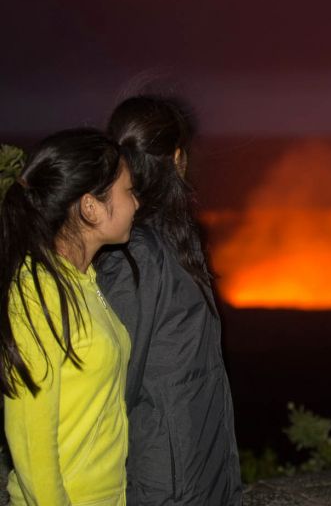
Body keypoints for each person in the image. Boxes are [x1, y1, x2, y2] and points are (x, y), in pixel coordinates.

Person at [96, 95, 242, 505]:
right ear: (177, 158)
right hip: (168, 479)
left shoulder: (172, 239)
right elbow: (115, 382)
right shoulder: (138, 253)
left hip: (197, 467)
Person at [0, 129, 138, 504]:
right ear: (91, 206)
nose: (136, 204)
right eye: (128, 191)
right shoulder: (38, 290)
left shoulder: (83, 280)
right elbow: (31, 441)